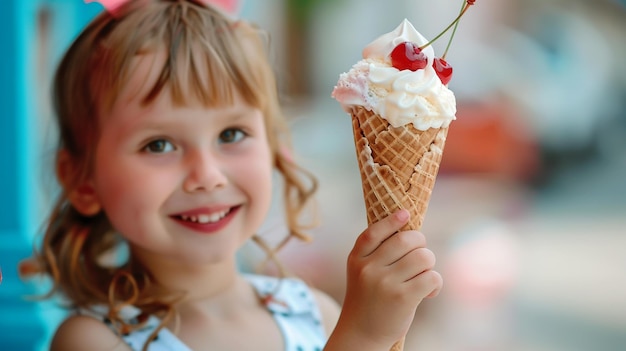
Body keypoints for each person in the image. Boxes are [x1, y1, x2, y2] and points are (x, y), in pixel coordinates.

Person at [24, 0, 443, 350]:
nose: (206, 176)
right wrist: (361, 338)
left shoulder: (314, 312)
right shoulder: (94, 341)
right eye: (158, 145)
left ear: (274, 147)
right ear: (82, 179)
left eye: (231, 134)